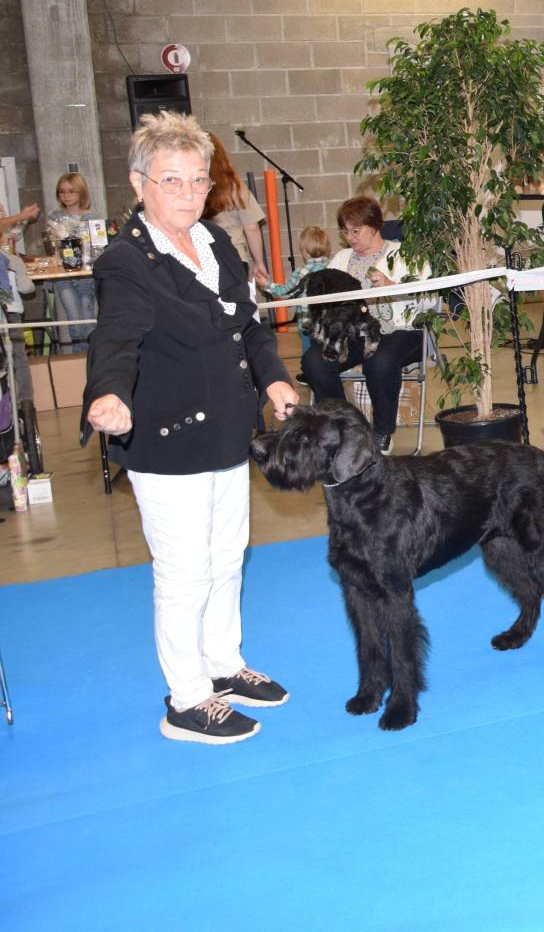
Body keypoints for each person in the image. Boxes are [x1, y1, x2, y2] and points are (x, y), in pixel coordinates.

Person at [82, 111, 300, 745]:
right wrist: (108, 393)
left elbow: (249, 327)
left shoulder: (215, 243)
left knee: (228, 557)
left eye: (198, 180)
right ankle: (186, 700)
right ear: (139, 183)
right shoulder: (126, 260)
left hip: (230, 430)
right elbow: (115, 338)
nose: (188, 193)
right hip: (167, 439)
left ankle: (223, 664)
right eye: (171, 180)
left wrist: (275, 379)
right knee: (183, 572)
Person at [299, 197, 432, 455]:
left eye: (356, 231)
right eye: (345, 232)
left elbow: (429, 302)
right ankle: (343, 428)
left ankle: (382, 431)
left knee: (379, 361)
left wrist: (391, 286)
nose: (350, 238)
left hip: (402, 331)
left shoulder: (405, 254)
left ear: (375, 226)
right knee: (314, 361)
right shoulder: (341, 259)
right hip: (353, 335)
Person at [201, 133, 270, 285]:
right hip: (234, 256)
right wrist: (259, 262)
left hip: (202, 259)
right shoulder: (236, 187)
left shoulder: (191, 187)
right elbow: (251, 228)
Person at [44, 172, 100, 347]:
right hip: (64, 276)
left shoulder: (91, 218)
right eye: (62, 192)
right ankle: (78, 357)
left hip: (85, 276)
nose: (66, 195)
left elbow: (98, 247)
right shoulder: (54, 217)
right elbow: (51, 246)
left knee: (88, 319)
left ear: (81, 192)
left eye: (71, 191)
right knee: (74, 320)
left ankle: (91, 357)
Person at [259, 224, 333, 300]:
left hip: (307, 308)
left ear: (305, 252)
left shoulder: (302, 271)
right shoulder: (332, 266)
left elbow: (286, 293)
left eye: (301, 249)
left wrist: (266, 285)